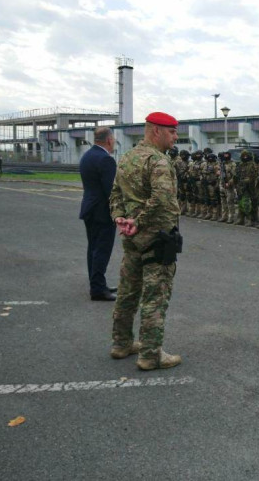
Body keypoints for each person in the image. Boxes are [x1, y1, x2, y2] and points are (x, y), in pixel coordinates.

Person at [108, 111, 182, 370]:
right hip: (157, 239)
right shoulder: (157, 161)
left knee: (128, 292)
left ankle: (121, 343)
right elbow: (162, 199)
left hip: (132, 239)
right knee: (155, 296)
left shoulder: (127, 158)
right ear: (156, 131)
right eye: (172, 131)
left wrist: (120, 218)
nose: (176, 136)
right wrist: (138, 220)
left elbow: (115, 194)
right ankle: (150, 355)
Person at [79, 127, 118, 301]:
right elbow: (112, 191)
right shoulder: (105, 160)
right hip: (103, 212)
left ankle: (97, 283)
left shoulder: (87, 156)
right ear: (109, 140)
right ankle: (98, 289)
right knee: (102, 250)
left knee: (93, 249)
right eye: (114, 140)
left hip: (89, 208)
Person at [234, 150, 259, 227]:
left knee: (249, 204)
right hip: (240, 187)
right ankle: (241, 218)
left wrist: (245, 181)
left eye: (246, 156)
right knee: (241, 203)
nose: (245, 157)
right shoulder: (240, 165)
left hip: (250, 188)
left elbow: (254, 176)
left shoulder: (253, 165)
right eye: (243, 156)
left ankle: (250, 219)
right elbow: (236, 175)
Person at [219, 151, 237, 224]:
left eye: (227, 155)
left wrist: (229, 183)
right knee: (223, 202)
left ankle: (231, 217)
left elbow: (235, 176)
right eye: (225, 155)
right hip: (222, 184)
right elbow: (221, 174)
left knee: (230, 202)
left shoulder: (233, 164)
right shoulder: (222, 164)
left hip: (229, 186)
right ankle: (224, 216)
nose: (226, 156)